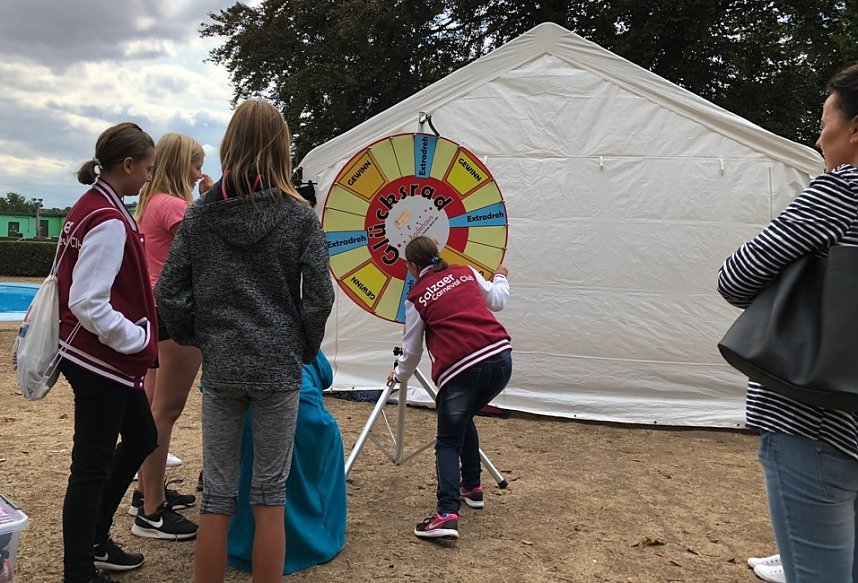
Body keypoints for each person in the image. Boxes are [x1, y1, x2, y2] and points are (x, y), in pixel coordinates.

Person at [155, 98, 335, 583]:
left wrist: (202, 337)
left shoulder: (198, 217)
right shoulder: (299, 217)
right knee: (268, 496)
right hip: (278, 368)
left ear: (228, 145)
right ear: (282, 148)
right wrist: (302, 347)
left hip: (223, 367)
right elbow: (319, 296)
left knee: (216, 496)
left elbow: (168, 293)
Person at [717, 63, 858, 583]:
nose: (820, 136)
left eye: (825, 120)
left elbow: (735, 278)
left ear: (855, 127)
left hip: (815, 415)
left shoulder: (840, 191)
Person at [57, 122, 159, 583]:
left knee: (141, 438)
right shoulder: (109, 219)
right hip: (100, 360)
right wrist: (134, 339)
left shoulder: (91, 205)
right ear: (128, 164)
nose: (149, 178)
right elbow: (87, 300)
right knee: (91, 466)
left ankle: (94, 543)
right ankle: (80, 569)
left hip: (93, 356)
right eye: (148, 169)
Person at [389, 236, 512, 540]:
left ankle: (446, 514)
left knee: (447, 441)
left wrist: (398, 376)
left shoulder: (416, 297)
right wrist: (500, 277)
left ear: (413, 266)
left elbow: (412, 350)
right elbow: (498, 300)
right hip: (501, 360)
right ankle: (472, 487)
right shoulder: (465, 272)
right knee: (462, 418)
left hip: (461, 370)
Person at [128, 134, 210, 541]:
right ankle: (152, 512)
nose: (200, 174)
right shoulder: (176, 206)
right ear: (182, 165)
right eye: (196, 166)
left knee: (153, 406)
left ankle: (147, 490)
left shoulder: (151, 201)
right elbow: (210, 250)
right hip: (178, 315)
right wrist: (214, 200)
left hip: (153, 311)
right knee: (167, 410)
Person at [227, 350, 347, 575]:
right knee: (272, 495)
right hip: (294, 408)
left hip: (238, 406)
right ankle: (306, 540)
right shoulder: (297, 338)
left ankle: (242, 539)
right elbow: (325, 374)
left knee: (238, 486)